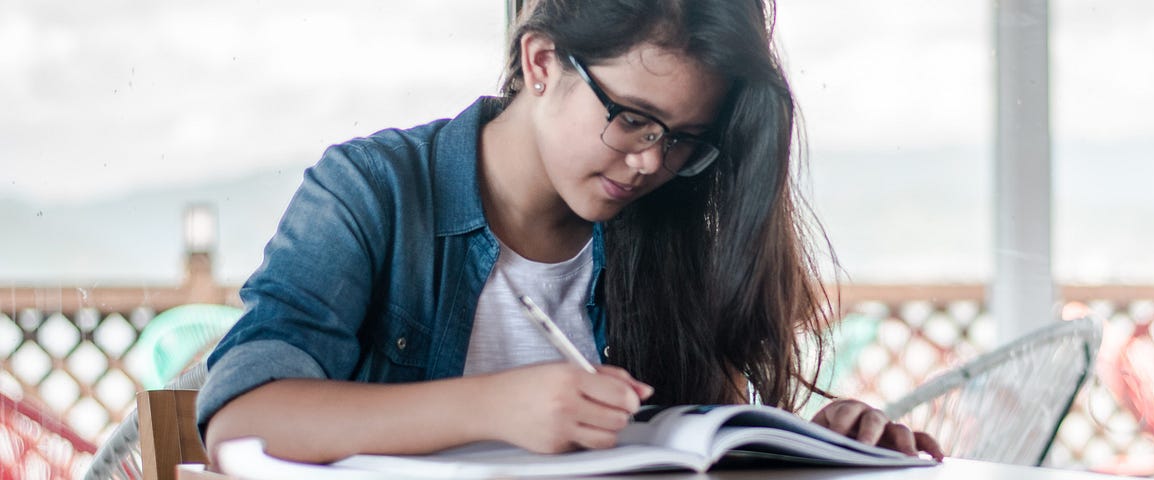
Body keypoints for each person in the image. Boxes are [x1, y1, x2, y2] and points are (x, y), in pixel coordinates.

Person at [198, 0, 944, 465]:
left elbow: (701, 443)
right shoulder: (375, 191)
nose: (652, 160)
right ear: (543, 60)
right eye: (633, 118)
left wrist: (815, 444)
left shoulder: (668, 224)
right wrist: (495, 407)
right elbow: (241, 419)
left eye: (684, 138)